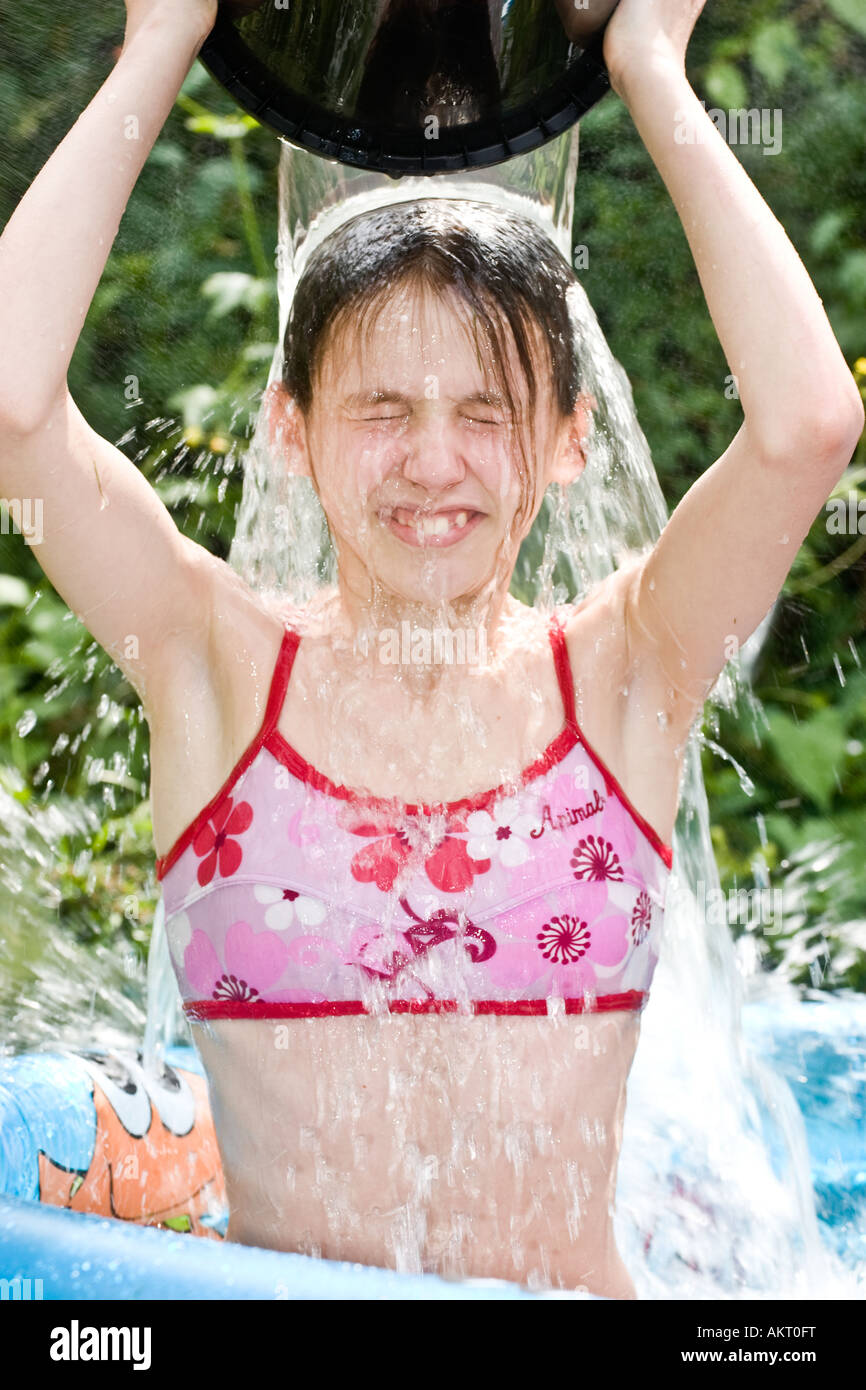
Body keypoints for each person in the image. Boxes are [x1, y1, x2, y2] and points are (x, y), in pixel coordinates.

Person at [0, 0, 861, 1298]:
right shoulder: (209, 662)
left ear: (570, 437)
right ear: (289, 425)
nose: (432, 463)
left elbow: (801, 429)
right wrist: (158, 44)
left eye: (484, 411)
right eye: (381, 409)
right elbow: (11, 409)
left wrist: (647, 69)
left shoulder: (625, 669)